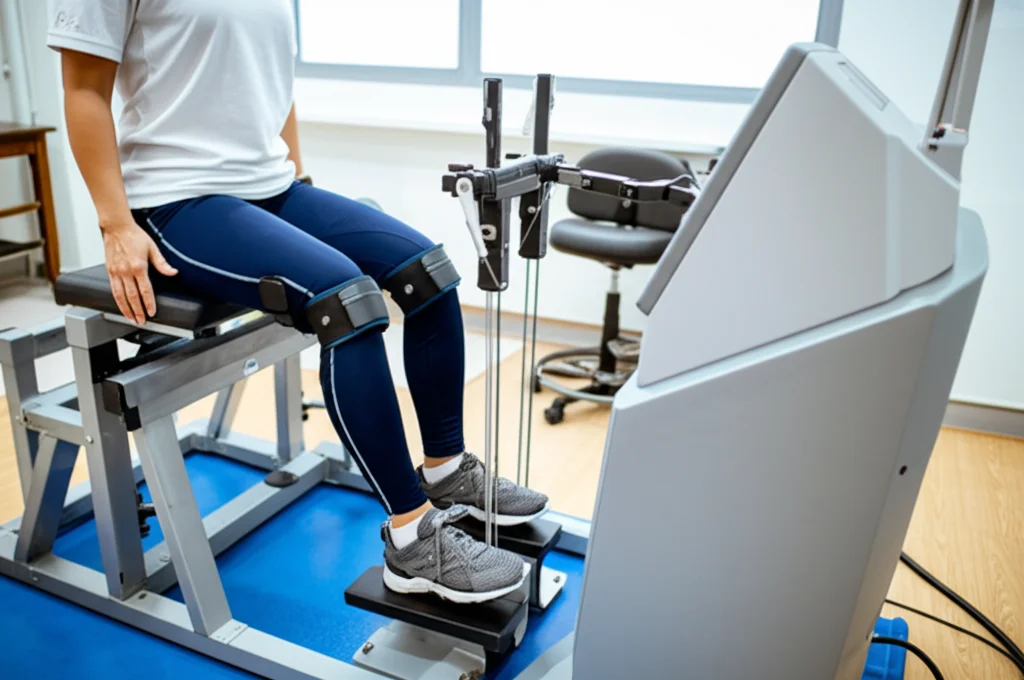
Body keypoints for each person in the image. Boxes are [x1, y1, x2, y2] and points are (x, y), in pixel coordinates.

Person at [47, 0, 548, 604]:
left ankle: (446, 470)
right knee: (349, 302)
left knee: (429, 273)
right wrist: (115, 224)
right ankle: (412, 539)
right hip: (178, 200)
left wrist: (299, 180)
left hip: (273, 188)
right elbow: (82, 88)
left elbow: (270, 85)